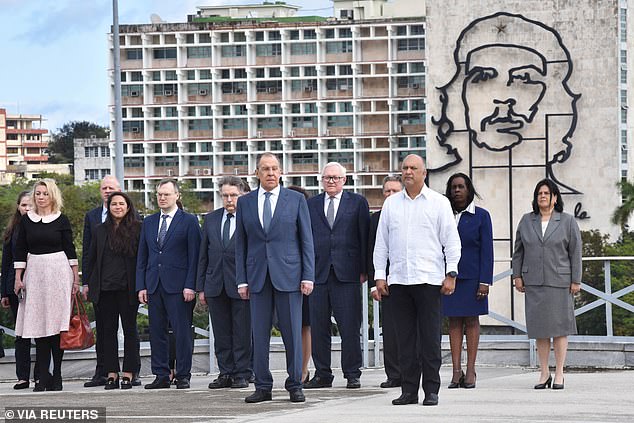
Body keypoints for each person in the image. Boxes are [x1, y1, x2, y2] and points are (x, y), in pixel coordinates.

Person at [373, 155, 461, 406]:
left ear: (424, 173)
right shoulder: (391, 205)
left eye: (413, 168)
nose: (408, 172)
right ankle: (409, 391)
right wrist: (380, 275)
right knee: (405, 340)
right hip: (399, 281)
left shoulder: (439, 203)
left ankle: (431, 390)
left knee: (430, 338)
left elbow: (452, 242)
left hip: (429, 280)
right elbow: (382, 244)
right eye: (405, 168)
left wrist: (451, 273)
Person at [235, 152, 315, 403]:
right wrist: (242, 279)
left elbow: (306, 240)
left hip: (289, 275)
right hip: (257, 277)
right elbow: (241, 243)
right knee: (259, 335)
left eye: (275, 168)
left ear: (281, 172)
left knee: (292, 332)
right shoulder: (245, 202)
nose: (270, 173)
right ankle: (262, 386)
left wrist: (308, 275)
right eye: (265, 169)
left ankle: (295, 384)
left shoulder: (295, 200)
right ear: (256, 173)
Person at [305, 162, 369, 390]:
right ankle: (323, 374)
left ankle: (352, 373)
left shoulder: (358, 203)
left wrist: (365, 269)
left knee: (349, 326)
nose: (331, 181)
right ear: (321, 180)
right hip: (317, 274)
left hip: (348, 273)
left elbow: (364, 237)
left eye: (335, 177)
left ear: (344, 179)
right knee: (319, 326)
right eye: (327, 178)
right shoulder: (310, 204)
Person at [512, 178, 581, 390]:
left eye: (546, 193)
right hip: (533, 282)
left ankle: (559, 372)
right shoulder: (526, 221)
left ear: (555, 198)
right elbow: (518, 251)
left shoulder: (567, 221)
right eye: (539, 193)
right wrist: (517, 276)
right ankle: (544, 373)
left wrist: (576, 280)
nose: (542, 196)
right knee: (540, 330)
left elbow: (575, 252)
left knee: (560, 329)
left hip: (559, 281)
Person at [13, 179, 80, 392]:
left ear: (53, 196)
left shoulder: (62, 219)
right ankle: (42, 377)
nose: (41, 197)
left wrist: (75, 278)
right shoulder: (26, 221)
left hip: (59, 273)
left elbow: (70, 250)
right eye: (38, 193)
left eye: (45, 193)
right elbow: (20, 250)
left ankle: (57, 376)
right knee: (39, 327)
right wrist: (18, 277)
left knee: (56, 327)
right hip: (35, 274)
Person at [136, 179, 201, 390]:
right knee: (157, 331)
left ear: (176, 196)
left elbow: (195, 256)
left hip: (180, 287)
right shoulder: (149, 222)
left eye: (166, 194)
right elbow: (142, 256)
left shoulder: (189, 221)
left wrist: (191, 285)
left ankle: (183, 374)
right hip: (154, 285)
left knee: (182, 332)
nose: (162, 198)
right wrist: (141, 286)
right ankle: (161, 374)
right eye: (159, 194)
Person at [82, 175, 143, 387]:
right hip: (104, 288)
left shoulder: (138, 228)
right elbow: (89, 258)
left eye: (121, 204)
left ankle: (129, 372)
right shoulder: (99, 230)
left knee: (130, 331)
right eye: (113, 203)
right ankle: (111, 373)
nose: (117, 207)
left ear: (128, 207)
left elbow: (142, 259)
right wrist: (87, 283)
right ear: (108, 206)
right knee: (107, 333)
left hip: (128, 289)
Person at [197, 176, 252, 389]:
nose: (229, 200)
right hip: (215, 284)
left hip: (241, 285)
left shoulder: (249, 219)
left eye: (233, 195)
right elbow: (203, 255)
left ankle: (242, 373)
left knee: (242, 332)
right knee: (220, 333)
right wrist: (201, 286)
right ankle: (225, 372)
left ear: (242, 195)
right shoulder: (211, 219)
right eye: (225, 195)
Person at [442, 173, 494, 389]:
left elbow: (487, 251)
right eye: (453, 187)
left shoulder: (481, 216)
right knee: (453, 321)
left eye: (461, 186)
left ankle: (471, 369)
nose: (457, 190)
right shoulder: (443, 214)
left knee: (471, 321)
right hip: (449, 278)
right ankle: (456, 371)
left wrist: (485, 281)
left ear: (469, 189)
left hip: (473, 278)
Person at [368, 176, 403, 389]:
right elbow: (372, 250)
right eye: (387, 191)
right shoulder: (376, 218)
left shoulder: (411, 215)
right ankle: (394, 375)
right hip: (386, 282)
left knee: (411, 330)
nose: (390, 195)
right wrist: (375, 282)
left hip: (410, 280)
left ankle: (412, 371)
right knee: (390, 331)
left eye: (395, 191)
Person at [1, 191, 38, 390]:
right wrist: (4, 293)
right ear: (18, 207)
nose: (27, 208)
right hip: (16, 288)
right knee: (21, 333)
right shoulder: (12, 231)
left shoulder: (42, 227)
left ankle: (41, 375)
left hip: (40, 285)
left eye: (30, 205)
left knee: (41, 332)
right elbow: (6, 263)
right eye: (24, 205)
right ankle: (22, 376)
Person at [287, 185, 313, 385]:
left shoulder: (308, 218)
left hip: (304, 280)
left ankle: (302, 371)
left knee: (304, 325)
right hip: (280, 279)